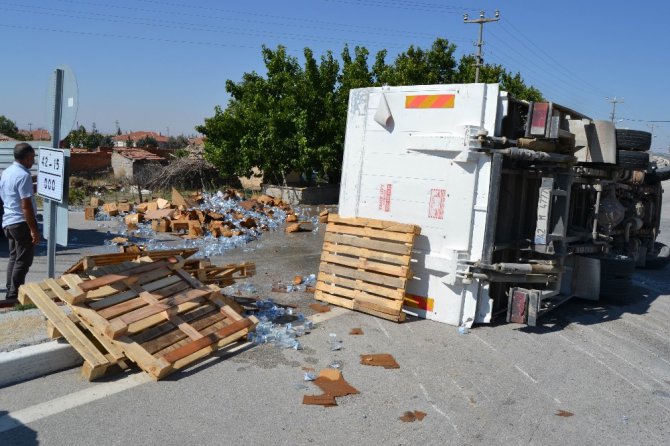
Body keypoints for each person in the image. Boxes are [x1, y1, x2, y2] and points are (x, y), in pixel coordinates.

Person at [0, 143, 40, 301]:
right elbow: (26, 205)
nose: (34, 161)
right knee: (23, 261)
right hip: (21, 222)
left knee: (14, 257)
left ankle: (10, 290)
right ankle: (14, 295)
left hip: (8, 220)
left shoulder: (7, 172)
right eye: (32, 157)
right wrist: (33, 229)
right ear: (26, 157)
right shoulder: (24, 176)